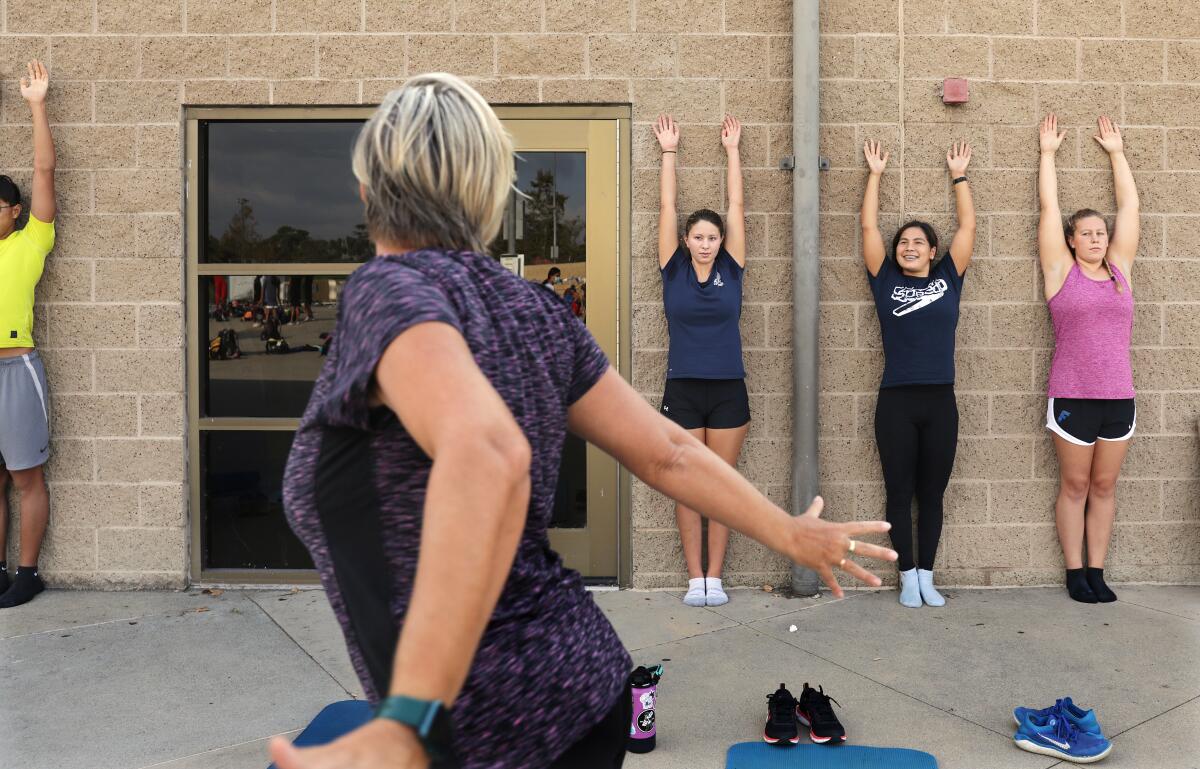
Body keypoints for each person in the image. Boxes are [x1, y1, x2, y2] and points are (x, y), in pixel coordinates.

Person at [271, 73, 896, 769]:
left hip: (482, 729)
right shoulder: (534, 309)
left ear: (366, 193)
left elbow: (486, 452)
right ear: (485, 194)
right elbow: (668, 453)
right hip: (587, 691)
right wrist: (790, 531)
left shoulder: (385, 289)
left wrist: (407, 720)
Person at [860, 139, 976, 608]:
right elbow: (868, 225)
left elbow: (968, 225)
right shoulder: (884, 280)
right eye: (902, 243)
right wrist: (875, 175)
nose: (909, 247)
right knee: (899, 490)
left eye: (917, 243)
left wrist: (959, 176)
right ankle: (906, 575)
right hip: (896, 402)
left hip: (940, 401)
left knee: (932, 492)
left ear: (933, 251)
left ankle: (928, 573)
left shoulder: (949, 278)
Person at [1038, 114, 1139, 604]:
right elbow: (1049, 206)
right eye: (1088, 233)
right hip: (1073, 393)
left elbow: (1131, 205)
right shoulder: (1060, 271)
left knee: (1104, 485)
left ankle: (1098, 570)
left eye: (1102, 233)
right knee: (1075, 484)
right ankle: (1074, 571)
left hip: (1119, 394)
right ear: (1072, 239)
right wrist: (1048, 155)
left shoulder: (1121, 271)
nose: (1098, 239)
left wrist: (1117, 153)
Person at [653, 113, 750, 608]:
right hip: (684, 389)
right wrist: (670, 151)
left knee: (721, 486)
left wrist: (732, 150)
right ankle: (696, 579)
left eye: (713, 237)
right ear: (687, 241)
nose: (707, 243)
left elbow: (736, 204)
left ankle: (718, 576)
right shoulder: (673, 271)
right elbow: (668, 205)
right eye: (699, 237)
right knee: (690, 486)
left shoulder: (732, 270)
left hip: (729, 388)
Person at [0, 60, 58, 609]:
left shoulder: (29, 240)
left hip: (15, 370)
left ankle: (27, 572)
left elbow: (43, 171)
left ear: (14, 212)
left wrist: (36, 106)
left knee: (24, 479)